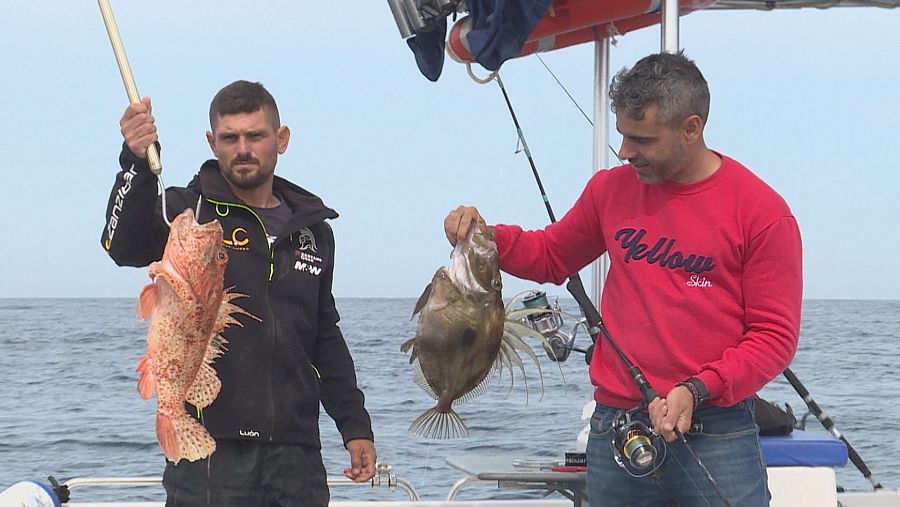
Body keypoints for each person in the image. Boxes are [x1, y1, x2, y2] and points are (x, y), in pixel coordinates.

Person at [444, 52, 801, 506]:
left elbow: (773, 338)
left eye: (642, 139)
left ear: (691, 128)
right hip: (615, 427)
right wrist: (485, 237)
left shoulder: (763, 214)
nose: (626, 151)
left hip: (718, 431)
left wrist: (697, 389)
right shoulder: (609, 190)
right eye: (623, 137)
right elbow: (553, 255)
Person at [102, 80, 377, 506]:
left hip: (296, 454)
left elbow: (324, 336)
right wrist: (135, 162)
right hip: (211, 451)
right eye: (230, 138)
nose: (242, 148)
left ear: (280, 140)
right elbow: (122, 246)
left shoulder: (314, 231)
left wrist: (355, 426)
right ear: (212, 143)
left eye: (255, 136)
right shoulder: (186, 211)